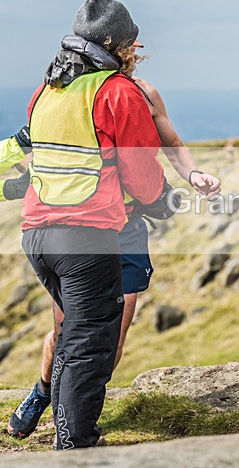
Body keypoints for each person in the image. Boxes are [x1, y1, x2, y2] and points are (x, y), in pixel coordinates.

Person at [5, 77, 221, 441]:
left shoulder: (144, 94)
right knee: (66, 332)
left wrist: (194, 174)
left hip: (128, 227)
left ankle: (80, 415)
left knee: (112, 337)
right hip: (83, 227)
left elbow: (170, 141)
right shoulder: (69, 91)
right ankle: (43, 393)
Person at [15, 0, 176, 449]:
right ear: (115, 44)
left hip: (38, 235)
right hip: (86, 237)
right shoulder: (117, 91)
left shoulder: (48, 89)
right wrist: (162, 200)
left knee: (73, 336)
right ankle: (76, 444)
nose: (134, 50)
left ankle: (68, 435)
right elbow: (141, 174)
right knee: (89, 345)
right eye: (130, 43)